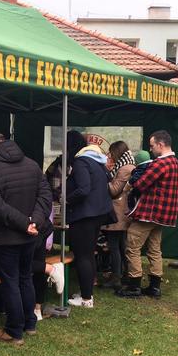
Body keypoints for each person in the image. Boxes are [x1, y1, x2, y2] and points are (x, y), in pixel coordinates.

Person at [0, 130, 52, 345]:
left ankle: (14, 331)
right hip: (30, 234)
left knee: (11, 282)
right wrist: (34, 222)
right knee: (25, 277)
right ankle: (29, 323)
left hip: (6, 236)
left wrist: (26, 224)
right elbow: (45, 196)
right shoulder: (32, 164)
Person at [117, 130, 178, 298]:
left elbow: (140, 185)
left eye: (152, 146)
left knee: (132, 247)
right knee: (154, 249)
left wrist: (132, 181)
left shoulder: (160, 164)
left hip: (149, 213)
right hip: (163, 216)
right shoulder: (175, 162)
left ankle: (134, 286)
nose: (151, 149)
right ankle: (154, 287)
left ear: (161, 145)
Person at [64, 130, 115, 309]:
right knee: (89, 255)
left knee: (83, 256)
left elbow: (84, 189)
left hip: (84, 215)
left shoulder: (81, 162)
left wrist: (66, 199)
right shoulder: (95, 161)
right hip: (97, 214)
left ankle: (86, 299)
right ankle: (87, 294)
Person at [100, 141, 136, 292]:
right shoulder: (128, 165)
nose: (110, 156)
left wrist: (102, 176)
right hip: (122, 212)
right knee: (122, 246)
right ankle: (125, 275)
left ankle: (117, 278)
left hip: (118, 213)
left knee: (115, 246)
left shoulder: (124, 169)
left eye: (111, 152)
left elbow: (114, 190)